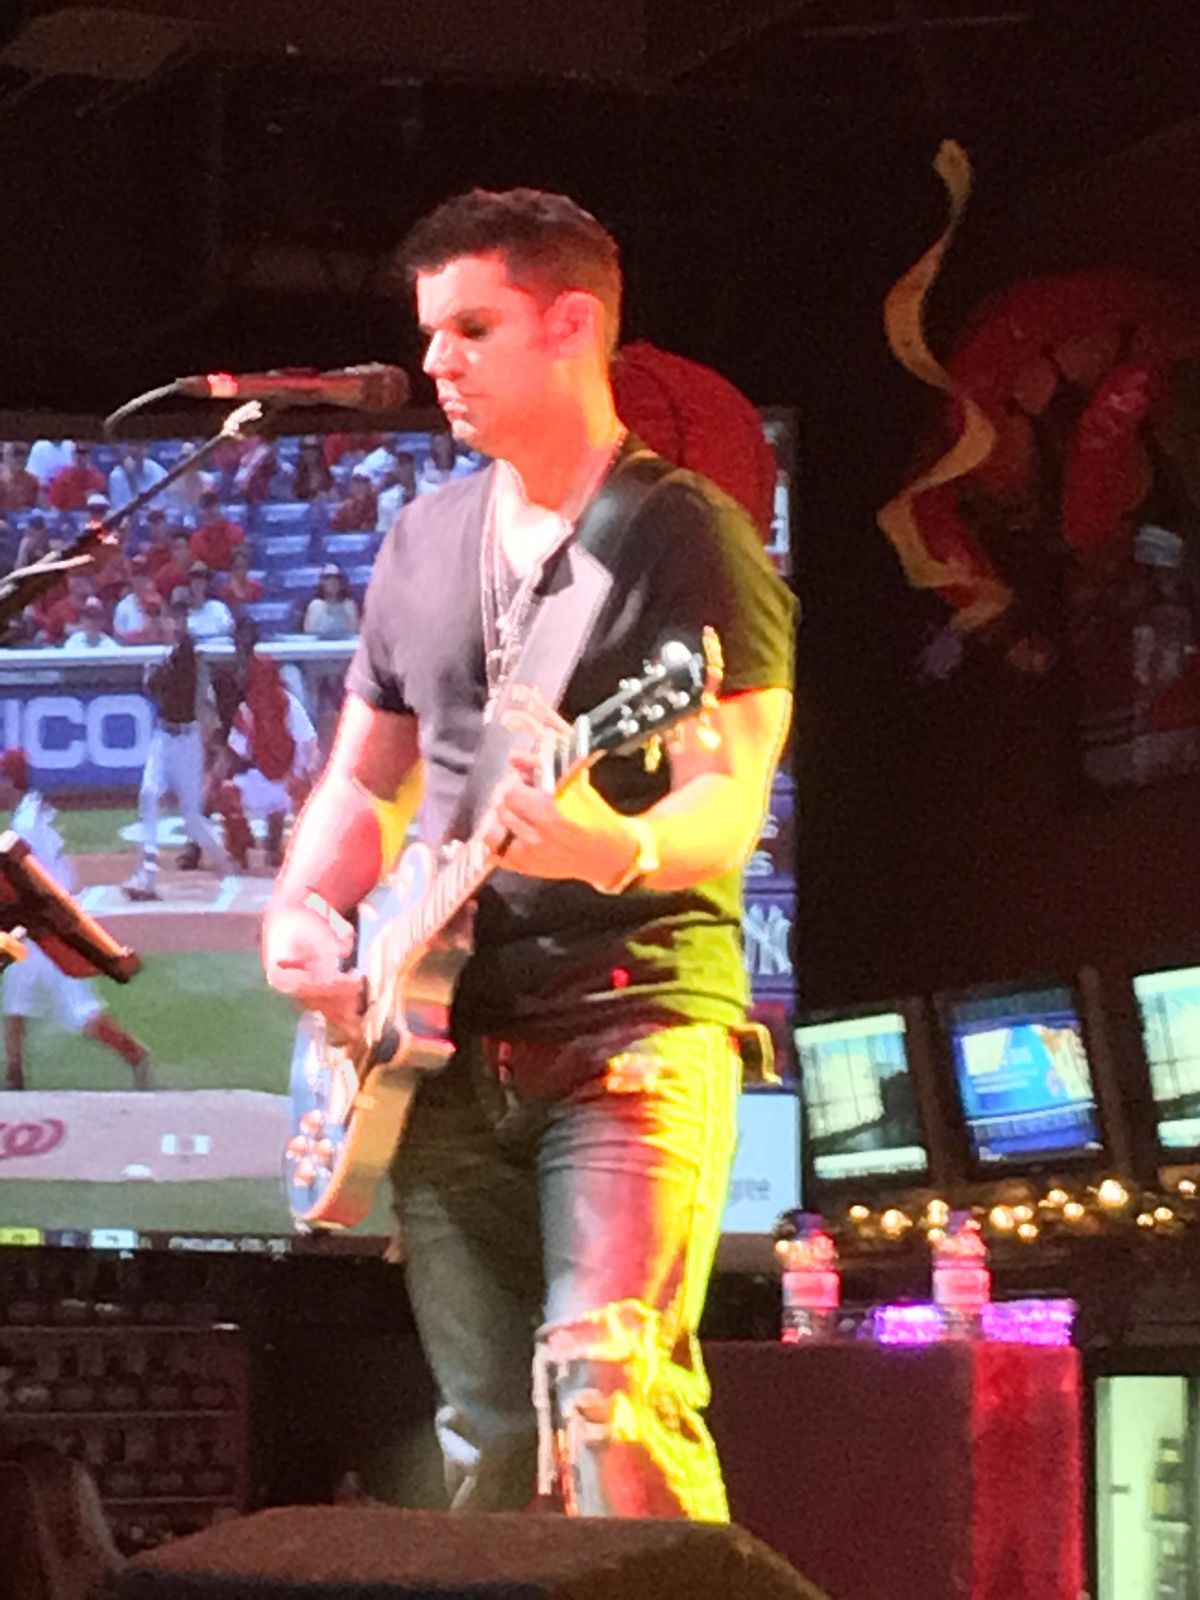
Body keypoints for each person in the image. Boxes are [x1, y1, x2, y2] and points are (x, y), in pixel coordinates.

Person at [261, 188, 794, 1520]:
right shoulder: (422, 540)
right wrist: (307, 909)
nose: (434, 359)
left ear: (572, 326)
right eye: (430, 330)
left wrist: (614, 846)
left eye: (471, 328)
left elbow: (727, 800)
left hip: (629, 1023)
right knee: (488, 1437)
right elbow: (362, 779)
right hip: (439, 1047)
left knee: (611, 1389)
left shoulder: (687, 536)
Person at [0, 748, 150, 1088]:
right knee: (16, 995)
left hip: (51, 929)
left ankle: (135, 1053)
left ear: (12, 781)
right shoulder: (30, 813)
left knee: (79, 1012)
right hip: (40, 924)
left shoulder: (26, 824)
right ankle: (14, 1075)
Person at [123, 599, 234, 900]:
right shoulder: (163, 652)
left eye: (180, 617)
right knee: (149, 793)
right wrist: (155, 675)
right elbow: (153, 687)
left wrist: (157, 673)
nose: (175, 622)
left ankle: (225, 863)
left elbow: (172, 679)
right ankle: (146, 875)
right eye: (171, 617)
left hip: (187, 741)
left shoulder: (187, 651)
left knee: (192, 817)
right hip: (163, 736)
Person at [215, 619, 319, 870]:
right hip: (262, 777)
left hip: (290, 780)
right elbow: (237, 752)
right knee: (227, 793)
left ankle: (292, 851)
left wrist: (304, 773)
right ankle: (240, 850)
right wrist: (218, 773)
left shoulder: (289, 705)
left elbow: (310, 743)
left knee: (307, 797)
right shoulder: (247, 710)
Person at [302, 563, 359, 639]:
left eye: (336, 579)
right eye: (328, 579)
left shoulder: (349, 606)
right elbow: (308, 635)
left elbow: (354, 634)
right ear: (321, 583)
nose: (332, 582)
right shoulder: (314, 606)